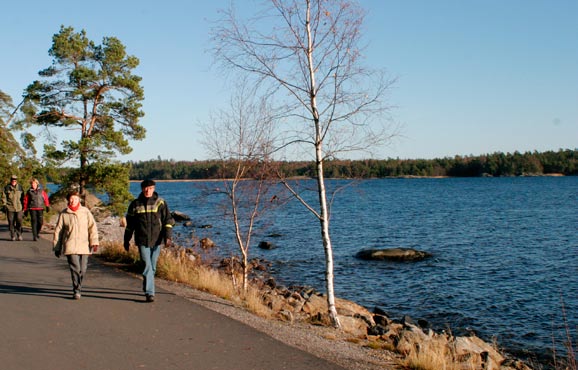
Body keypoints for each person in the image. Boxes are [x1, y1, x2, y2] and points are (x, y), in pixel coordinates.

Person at [123, 179, 174, 302]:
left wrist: (168, 237)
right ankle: (149, 292)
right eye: (145, 188)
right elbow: (130, 225)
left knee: (153, 267)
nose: (147, 190)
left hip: (157, 240)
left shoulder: (160, 203)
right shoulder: (135, 204)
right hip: (142, 240)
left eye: (150, 188)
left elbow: (168, 220)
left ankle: (148, 284)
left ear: (154, 188)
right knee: (147, 265)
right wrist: (126, 240)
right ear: (142, 189)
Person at [53, 191, 99, 300]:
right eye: (71, 199)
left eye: (75, 199)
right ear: (68, 200)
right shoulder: (64, 214)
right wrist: (57, 247)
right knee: (75, 268)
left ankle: (79, 286)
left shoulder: (85, 212)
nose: (73, 201)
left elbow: (92, 227)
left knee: (83, 269)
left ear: (79, 200)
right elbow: (58, 231)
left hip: (84, 245)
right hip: (70, 245)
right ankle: (76, 290)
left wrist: (94, 242)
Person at [1, 175, 24, 241]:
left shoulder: (20, 187)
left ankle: (19, 234)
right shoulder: (7, 187)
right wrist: (4, 204)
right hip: (10, 207)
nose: (14, 181)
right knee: (11, 222)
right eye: (12, 180)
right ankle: (12, 235)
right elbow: (3, 197)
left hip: (19, 207)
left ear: (16, 181)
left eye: (15, 180)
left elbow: (23, 197)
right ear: (11, 180)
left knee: (19, 220)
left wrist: (24, 207)